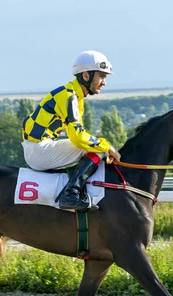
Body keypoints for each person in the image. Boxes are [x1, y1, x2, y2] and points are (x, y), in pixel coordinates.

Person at [21, 50, 121, 212]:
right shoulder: (70, 97)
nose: (104, 82)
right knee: (99, 149)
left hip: (39, 146)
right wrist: (106, 146)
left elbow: (77, 134)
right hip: (38, 151)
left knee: (96, 146)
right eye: (101, 77)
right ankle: (71, 194)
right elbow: (77, 138)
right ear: (86, 76)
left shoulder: (72, 94)